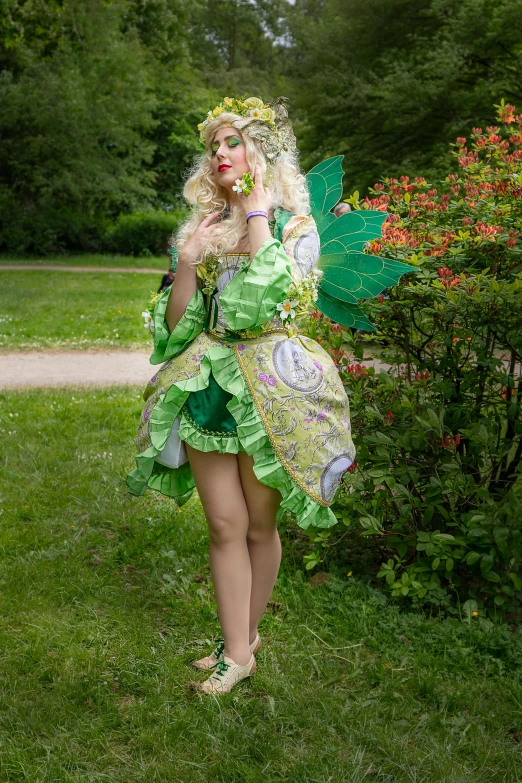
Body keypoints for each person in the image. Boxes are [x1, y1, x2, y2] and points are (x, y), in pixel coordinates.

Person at [127, 96, 356, 694]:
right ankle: (237, 649)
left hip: (273, 392)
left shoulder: (293, 229)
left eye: (231, 142)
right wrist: (186, 262)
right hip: (209, 388)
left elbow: (263, 303)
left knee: (258, 525)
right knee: (223, 525)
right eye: (213, 146)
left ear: (259, 151)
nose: (219, 153)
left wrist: (257, 217)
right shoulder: (205, 229)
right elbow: (176, 330)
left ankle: (241, 644)